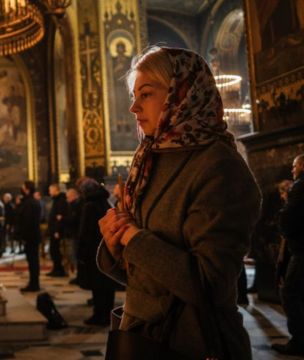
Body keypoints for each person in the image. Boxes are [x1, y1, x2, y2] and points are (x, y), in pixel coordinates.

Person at [97, 46, 261, 359]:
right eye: (135, 94)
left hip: (192, 342)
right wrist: (116, 242)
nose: (133, 107)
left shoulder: (219, 167)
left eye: (146, 94)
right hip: (141, 336)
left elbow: (210, 284)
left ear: (181, 92)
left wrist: (132, 236)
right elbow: (145, 276)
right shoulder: (150, 159)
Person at [272, 154, 304, 355]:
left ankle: (299, 341)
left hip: (302, 249)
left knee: (290, 292)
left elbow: (288, 219)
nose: (292, 170)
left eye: (294, 166)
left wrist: (282, 216)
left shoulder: (299, 187)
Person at [77, 178, 114, 326]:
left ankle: (100, 315)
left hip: (93, 251)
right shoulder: (105, 202)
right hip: (107, 247)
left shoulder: (90, 206)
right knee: (107, 283)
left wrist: (81, 252)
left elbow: (85, 231)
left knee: (97, 284)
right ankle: (107, 313)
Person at [17, 180, 42, 292]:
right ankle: (34, 282)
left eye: (23, 187)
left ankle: (34, 284)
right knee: (33, 260)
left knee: (32, 261)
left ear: (27, 189)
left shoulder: (29, 203)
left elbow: (27, 221)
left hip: (30, 236)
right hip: (34, 235)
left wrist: (23, 236)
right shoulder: (33, 202)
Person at [47, 184, 68, 277]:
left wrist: (57, 231)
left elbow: (59, 217)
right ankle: (56, 269)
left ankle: (59, 270)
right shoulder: (56, 200)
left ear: (56, 190)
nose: (49, 192)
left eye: (50, 190)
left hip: (57, 231)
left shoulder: (60, 201)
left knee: (55, 251)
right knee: (53, 250)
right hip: (54, 230)